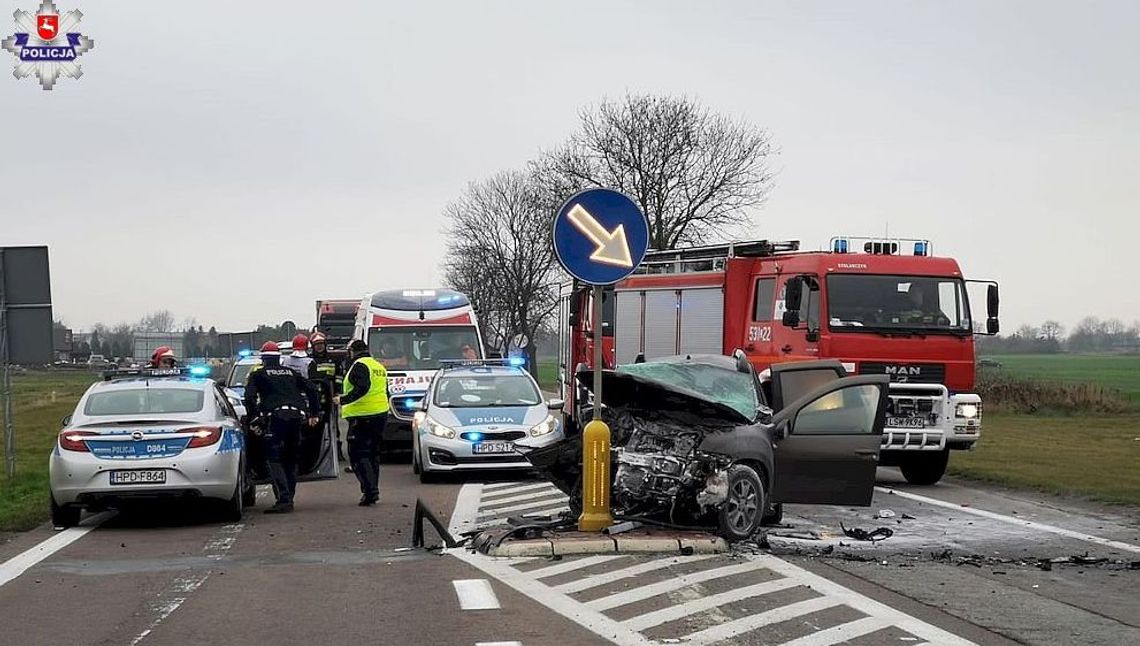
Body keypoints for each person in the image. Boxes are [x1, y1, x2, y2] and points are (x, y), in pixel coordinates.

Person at [243, 342, 321, 514]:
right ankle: (289, 498)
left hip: (276, 418)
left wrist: (256, 416)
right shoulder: (291, 373)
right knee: (291, 459)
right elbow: (313, 389)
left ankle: (284, 499)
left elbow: (249, 397)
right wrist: (314, 413)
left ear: (263, 359)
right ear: (279, 358)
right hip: (297, 418)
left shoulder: (259, 374)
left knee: (274, 458)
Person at [337, 339, 389, 506]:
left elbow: (362, 387)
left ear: (352, 351)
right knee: (373, 454)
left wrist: (343, 399)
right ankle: (373, 489)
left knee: (359, 455)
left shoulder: (359, 365)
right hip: (380, 415)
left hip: (362, 416)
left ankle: (370, 491)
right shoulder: (377, 366)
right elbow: (385, 391)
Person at [309, 331, 346, 462]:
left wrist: (337, 392)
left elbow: (339, 377)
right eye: (316, 344)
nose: (319, 347)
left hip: (330, 397)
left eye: (321, 344)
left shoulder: (333, 360)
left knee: (333, 425)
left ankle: (337, 451)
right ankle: (317, 453)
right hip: (315, 398)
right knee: (315, 426)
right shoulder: (310, 360)